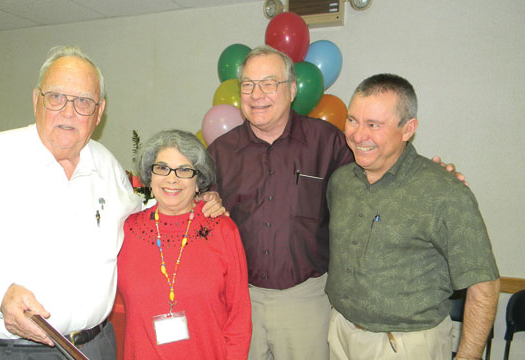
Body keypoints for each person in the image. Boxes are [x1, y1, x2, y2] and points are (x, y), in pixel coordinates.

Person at [0, 46, 225, 360]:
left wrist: (194, 201)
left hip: (95, 346)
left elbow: (139, 218)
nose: (69, 112)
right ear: (36, 101)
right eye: (56, 97)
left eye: (83, 101)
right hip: (11, 351)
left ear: (99, 112)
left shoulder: (104, 164)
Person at [325, 73, 500, 360]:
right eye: (352, 120)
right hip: (341, 333)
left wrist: (467, 356)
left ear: (408, 129)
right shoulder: (341, 182)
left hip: (405, 345)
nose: (358, 135)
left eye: (374, 125)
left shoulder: (443, 192)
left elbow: (485, 283)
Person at [208, 45, 354, 360]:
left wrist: (425, 175)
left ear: (291, 90)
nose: (256, 94)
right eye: (247, 84)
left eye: (268, 83)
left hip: (306, 301)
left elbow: (371, 187)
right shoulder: (219, 152)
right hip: (239, 301)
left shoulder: (327, 142)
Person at [117, 130, 251, 360]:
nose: (172, 178)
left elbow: (239, 316)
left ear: (199, 182)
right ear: (150, 176)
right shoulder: (126, 230)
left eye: (184, 170)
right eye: (162, 168)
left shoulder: (222, 230)